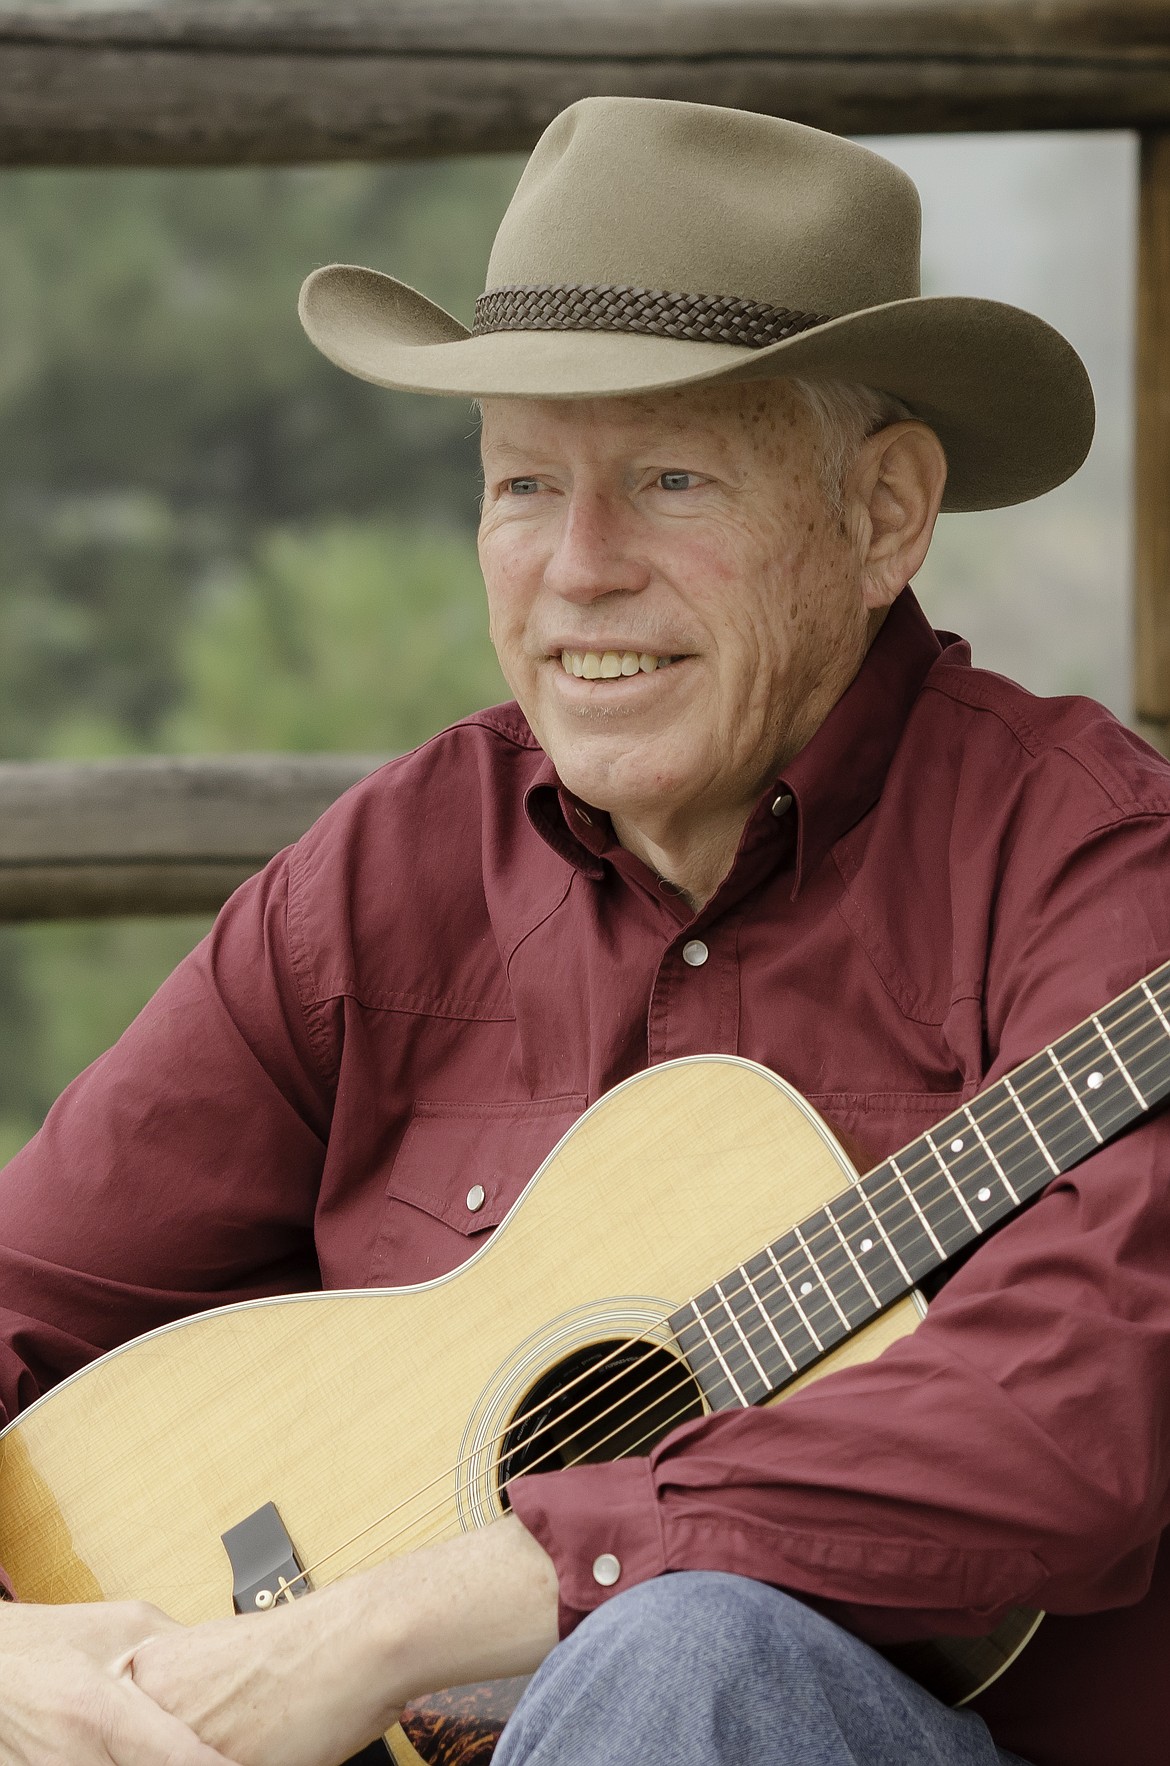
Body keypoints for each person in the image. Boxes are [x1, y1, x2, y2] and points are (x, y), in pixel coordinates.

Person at [0, 95, 1167, 1766]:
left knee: (688, 1656)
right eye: (523, 484)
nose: (576, 570)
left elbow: (1073, 1417)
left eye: (669, 478)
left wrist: (405, 1617)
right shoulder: (387, 878)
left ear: (885, 515)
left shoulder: (1090, 868)